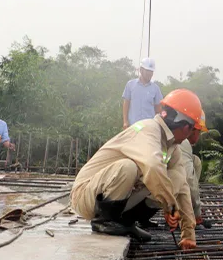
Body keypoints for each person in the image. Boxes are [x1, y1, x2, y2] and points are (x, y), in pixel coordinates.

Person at [71, 88, 202, 247]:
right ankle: (104, 222)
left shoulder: (172, 146)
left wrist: (188, 233)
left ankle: (125, 222)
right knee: (131, 168)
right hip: (86, 196)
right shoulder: (148, 130)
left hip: (115, 198)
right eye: (192, 131)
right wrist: (170, 206)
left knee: (175, 178)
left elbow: (182, 186)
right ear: (186, 127)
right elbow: (153, 167)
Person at [122, 57, 164, 129]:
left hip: (149, 127)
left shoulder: (155, 88)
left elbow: (158, 109)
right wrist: (125, 121)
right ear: (141, 70)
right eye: (147, 71)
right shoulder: (130, 85)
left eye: (151, 71)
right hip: (134, 126)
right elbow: (126, 104)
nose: (150, 74)